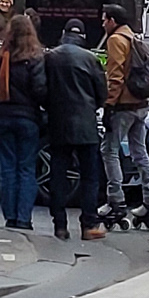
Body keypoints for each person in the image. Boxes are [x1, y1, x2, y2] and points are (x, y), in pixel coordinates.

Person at [44, 18, 107, 242]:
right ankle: (88, 223)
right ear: (83, 36)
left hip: (58, 122)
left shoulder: (50, 57)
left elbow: (42, 88)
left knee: (58, 174)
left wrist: (51, 107)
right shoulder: (90, 59)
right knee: (90, 176)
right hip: (86, 123)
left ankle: (60, 224)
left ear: (63, 33)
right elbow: (102, 93)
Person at [99, 4, 149, 228]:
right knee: (140, 152)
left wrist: (109, 104)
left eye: (105, 19)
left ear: (113, 21)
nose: (102, 23)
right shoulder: (134, 37)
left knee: (109, 150)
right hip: (141, 104)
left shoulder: (116, 40)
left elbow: (115, 77)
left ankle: (115, 199)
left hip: (124, 105)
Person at [0, 13, 47, 229]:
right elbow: (40, 90)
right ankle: (24, 217)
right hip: (27, 118)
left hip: (4, 117)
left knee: (7, 169)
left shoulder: (1, 57)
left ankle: (10, 216)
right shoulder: (34, 58)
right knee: (26, 168)